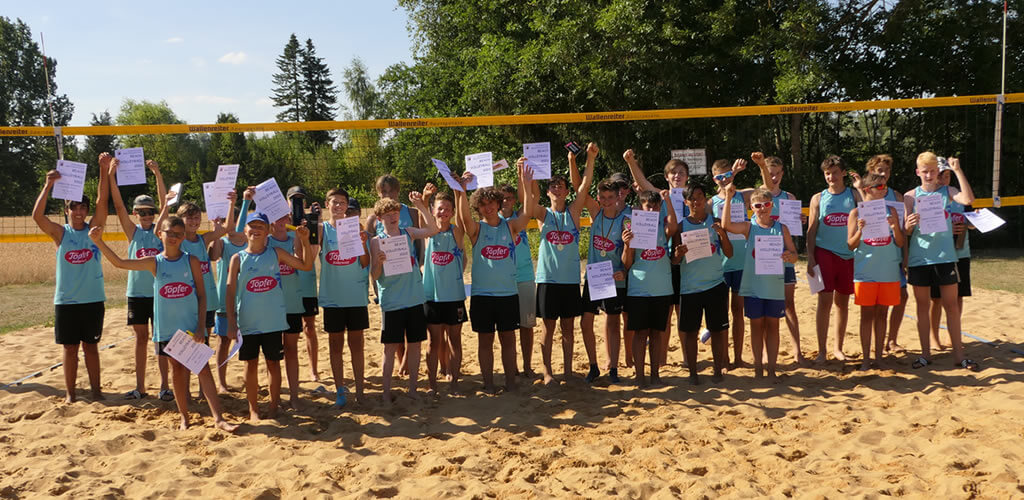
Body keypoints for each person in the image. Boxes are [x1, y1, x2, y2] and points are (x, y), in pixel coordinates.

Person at [89, 216, 239, 432]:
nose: (174, 237)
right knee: (176, 371)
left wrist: (199, 326)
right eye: (170, 233)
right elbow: (120, 263)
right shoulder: (155, 262)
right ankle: (184, 418)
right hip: (167, 329)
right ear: (161, 234)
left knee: (203, 369)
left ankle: (218, 418)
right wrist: (98, 241)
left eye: (179, 234)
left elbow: (202, 295)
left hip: (189, 327)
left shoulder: (191, 260)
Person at [32, 153, 111, 403]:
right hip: (66, 301)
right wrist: (48, 185)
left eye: (82, 208)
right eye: (73, 207)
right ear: (67, 211)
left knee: (91, 347)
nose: (78, 212)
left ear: (86, 211)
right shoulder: (60, 233)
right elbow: (37, 217)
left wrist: (102, 169)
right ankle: (70, 394)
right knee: (69, 348)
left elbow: (103, 200)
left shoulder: (94, 230)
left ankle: (97, 392)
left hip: (92, 299)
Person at [226, 211, 314, 422]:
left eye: (260, 227)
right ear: (245, 230)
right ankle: (254, 409)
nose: (256, 230)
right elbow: (229, 292)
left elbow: (306, 266)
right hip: (248, 322)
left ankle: (274, 407)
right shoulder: (237, 258)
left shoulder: (275, 253)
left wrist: (304, 241)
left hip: (273, 321)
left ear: (268, 231)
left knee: (273, 364)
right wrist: (231, 321)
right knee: (250, 364)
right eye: (252, 226)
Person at [456, 162, 533, 392]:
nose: (488, 208)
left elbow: (527, 212)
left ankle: (511, 381)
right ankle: (488, 383)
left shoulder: (510, 227)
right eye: (483, 205)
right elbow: (463, 217)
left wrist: (527, 186)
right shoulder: (477, 229)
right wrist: (461, 190)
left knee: (508, 341)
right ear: (478, 208)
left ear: (499, 204)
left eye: (491, 203)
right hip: (482, 295)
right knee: (485, 342)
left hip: (508, 293)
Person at [525, 145, 594, 384]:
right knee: (547, 328)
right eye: (553, 186)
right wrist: (527, 174)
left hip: (569, 281)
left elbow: (584, 186)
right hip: (547, 280)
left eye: (561, 186)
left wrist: (590, 158)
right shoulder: (543, 215)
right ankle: (547, 373)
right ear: (548, 192)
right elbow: (529, 202)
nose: (557, 189)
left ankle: (566, 372)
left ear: (566, 192)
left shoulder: (574, 212)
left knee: (568, 329)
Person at [903, 153, 978, 370]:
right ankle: (925, 354)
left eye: (932, 171)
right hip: (920, 259)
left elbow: (969, 199)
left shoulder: (949, 192)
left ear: (938, 172)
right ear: (918, 172)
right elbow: (905, 232)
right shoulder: (910, 196)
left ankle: (958, 356)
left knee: (952, 307)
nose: (928, 175)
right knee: (922, 307)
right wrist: (908, 224)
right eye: (924, 171)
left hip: (945, 258)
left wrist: (957, 170)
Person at [721, 185, 799, 380]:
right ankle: (758, 368)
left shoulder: (782, 228)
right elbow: (726, 225)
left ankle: (771, 369)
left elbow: (795, 255)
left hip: (774, 286)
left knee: (773, 326)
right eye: (758, 205)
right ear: (751, 208)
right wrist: (729, 199)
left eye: (766, 204)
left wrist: (789, 257)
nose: (762, 208)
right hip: (754, 287)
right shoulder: (749, 227)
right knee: (756, 327)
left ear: (772, 206)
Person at [108, 158, 170, 400]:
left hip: (159, 293)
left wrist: (157, 174)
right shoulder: (132, 231)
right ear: (135, 213)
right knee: (141, 339)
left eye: (150, 212)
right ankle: (140, 387)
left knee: (162, 339)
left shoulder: (160, 231)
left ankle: (165, 386)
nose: (146, 215)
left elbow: (166, 203)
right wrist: (112, 175)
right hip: (136, 294)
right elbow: (118, 205)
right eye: (141, 212)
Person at [370, 192, 437, 404]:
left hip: (414, 298)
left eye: (395, 213)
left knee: (415, 345)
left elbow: (433, 229)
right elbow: (374, 275)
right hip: (391, 301)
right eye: (388, 214)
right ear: (380, 218)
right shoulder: (376, 242)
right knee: (390, 349)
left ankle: (413, 389)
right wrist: (379, 263)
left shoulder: (407, 233)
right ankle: (386, 392)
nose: (393, 217)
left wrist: (421, 206)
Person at [623, 151, 689, 366]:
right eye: (674, 173)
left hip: (690, 258)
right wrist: (632, 161)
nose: (678, 176)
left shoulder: (694, 196)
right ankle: (660, 361)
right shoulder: (660, 195)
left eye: (681, 173)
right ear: (667, 177)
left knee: (684, 313)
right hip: (666, 261)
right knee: (667, 314)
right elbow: (641, 182)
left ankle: (687, 359)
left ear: (687, 176)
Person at [749, 152, 808, 366]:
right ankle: (765, 353)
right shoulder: (760, 199)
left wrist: (799, 220)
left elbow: (792, 230)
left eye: (776, 174)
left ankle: (797, 351)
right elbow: (767, 190)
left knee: (789, 305)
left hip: (783, 258)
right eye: (769, 174)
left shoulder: (789, 198)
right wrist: (761, 166)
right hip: (764, 261)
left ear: (782, 173)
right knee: (765, 311)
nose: (773, 178)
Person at [673, 184, 733, 384]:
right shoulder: (681, 227)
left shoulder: (715, 222)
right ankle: (693, 373)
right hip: (690, 287)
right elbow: (674, 260)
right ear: (686, 202)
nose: (697, 201)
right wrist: (679, 254)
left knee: (717, 330)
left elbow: (729, 253)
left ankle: (717, 371)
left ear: (705, 199)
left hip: (715, 284)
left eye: (700, 196)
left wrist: (722, 234)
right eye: (693, 198)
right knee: (690, 332)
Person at [621, 185, 678, 387]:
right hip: (638, 288)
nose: (651, 210)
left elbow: (673, 224)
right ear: (641, 207)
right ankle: (639, 376)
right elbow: (626, 264)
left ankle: (655, 375)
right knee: (640, 333)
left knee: (656, 334)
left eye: (655, 206)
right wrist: (627, 245)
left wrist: (667, 200)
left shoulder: (663, 229)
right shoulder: (632, 229)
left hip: (662, 288)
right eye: (648, 206)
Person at [846, 173, 905, 370]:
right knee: (866, 315)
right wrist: (860, 231)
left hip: (888, 270)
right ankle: (865, 359)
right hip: (865, 272)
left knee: (882, 315)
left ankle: (879, 357)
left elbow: (900, 242)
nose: (884, 189)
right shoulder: (856, 214)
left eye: (885, 186)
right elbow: (850, 245)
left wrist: (895, 227)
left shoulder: (891, 212)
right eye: (879, 187)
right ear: (867, 190)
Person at [806, 155, 861, 363]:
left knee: (842, 303)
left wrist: (861, 188)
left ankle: (838, 348)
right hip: (824, 253)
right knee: (824, 301)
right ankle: (821, 350)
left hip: (848, 255)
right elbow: (811, 231)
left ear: (843, 173)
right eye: (827, 173)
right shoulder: (818, 198)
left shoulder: (854, 195)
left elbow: (869, 214)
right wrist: (810, 256)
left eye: (835, 172)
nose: (831, 177)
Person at [317, 190, 370, 407]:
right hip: (333, 298)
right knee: (335, 346)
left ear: (347, 206)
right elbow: (311, 255)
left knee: (357, 345)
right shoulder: (322, 230)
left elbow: (365, 263)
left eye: (342, 203)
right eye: (334, 203)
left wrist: (364, 244)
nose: (338, 206)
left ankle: (359, 391)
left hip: (355, 296)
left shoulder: (355, 228)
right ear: (326, 205)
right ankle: (340, 390)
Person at [574, 175, 629, 384]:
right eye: (603, 197)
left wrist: (624, 270)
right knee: (585, 321)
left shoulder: (626, 218)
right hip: (595, 275)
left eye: (610, 197)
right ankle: (593, 366)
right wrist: (586, 158)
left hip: (614, 277)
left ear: (618, 197)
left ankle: (613, 368)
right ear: (598, 198)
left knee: (613, 323)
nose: (606, 201)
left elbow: (631, 251)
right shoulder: (596, 213)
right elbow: (580, 186)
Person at [365, 174, 421, 375]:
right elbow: (371, 252)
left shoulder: (411, 212)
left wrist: (418, 266)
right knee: (393, 325)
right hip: (387, 277)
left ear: (398, 192)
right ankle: (400, 360)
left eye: (391, 191)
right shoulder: (373, 218)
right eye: (383, 192)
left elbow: (420, 244)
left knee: (410, 323)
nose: (387, 195)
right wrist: (375, 285)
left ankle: (406, 360)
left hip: (409, 273)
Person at [856, 155, 910, 354]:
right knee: (870, 309)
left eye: (886, 170)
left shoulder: (896, 196)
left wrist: (905, 258)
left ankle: (892, 340)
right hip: (870, 260)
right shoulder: (865, 196)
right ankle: (872, 350)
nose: (883, 174)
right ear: (871, 172)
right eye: (879, 170)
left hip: (892, 255)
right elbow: (855, 230)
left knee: (900, 297)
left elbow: (902, 231)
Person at [420, 184, 467, 395]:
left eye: (447, 208)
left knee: (455, 339)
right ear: (433, 211)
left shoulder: (456, 231)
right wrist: (425, 196)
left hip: (454, 295)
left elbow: (463, 256)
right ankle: (432, 384)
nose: (443, 212)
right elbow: (423, 217)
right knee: (433, 341)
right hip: (432, 295)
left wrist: (460, 191)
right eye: (440, 208)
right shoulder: (429, 232)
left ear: (452, 212)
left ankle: (455, 382)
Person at [709, 159, 753, 368]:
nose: (724, 180)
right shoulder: (710, 203)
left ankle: (737, 357)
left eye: (728, 175)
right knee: (722, 312)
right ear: (713, 179)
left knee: (738, 311)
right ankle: (724, 357)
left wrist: (734, 174)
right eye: (720, 177)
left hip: (742, 262)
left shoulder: (743, 196)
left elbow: (765, 189)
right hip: (721, 263)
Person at [928, 163, 974, 351]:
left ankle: (952, 336)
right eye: (940, 175)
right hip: (939, 254)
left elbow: (971, 222)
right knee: (936, 299)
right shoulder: (929, 198)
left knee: (959, 297)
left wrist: (971, 222)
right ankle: (933, 337)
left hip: (961, 253)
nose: (943, 179)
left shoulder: (958, 196)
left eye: (946, 175)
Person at [268, 213, 311, 410]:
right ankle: (275, 399)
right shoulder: (265, 242)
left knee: (292, 351)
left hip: (292, 303)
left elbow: (305, 265)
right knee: (273, 356)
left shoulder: (296, 239)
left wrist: (304, 241)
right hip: (272, 305)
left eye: (285, 218)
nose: (281, 222)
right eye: (278, 218)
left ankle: (294, 396)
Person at [209, 190, 251, 393]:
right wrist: (216, 233)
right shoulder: (224, 243)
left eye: (235, 220)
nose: (233, 225)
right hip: (224, 301)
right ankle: (222, 383)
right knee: (223, 341)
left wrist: (246, 200)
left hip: (248, 301)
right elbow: (214, 255)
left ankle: (248, 379)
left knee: (248, 343)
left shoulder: (251, 243)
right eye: (229, 221)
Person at [499, 183, 536, 378]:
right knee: (507, 328)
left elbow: (530, 198)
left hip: (525, 276)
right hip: (503, 280)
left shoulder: (520, 216)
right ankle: (511, 367)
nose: (506, 201)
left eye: (510, 198)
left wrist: (524, 176)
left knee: (527, 325)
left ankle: (527, 366)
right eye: (502, 197)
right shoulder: (491, 220)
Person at [286, 186, 322, 382]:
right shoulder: (280, 223)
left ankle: (313, 369)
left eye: (300, 199)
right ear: (287, 202)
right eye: (294, 199)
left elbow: (311, 256)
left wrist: (316, 221)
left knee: (309, 327)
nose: (297, 203)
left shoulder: (311, 222)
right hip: (287, 285)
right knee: (288, 330)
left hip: (306, 283)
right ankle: (290, 372)